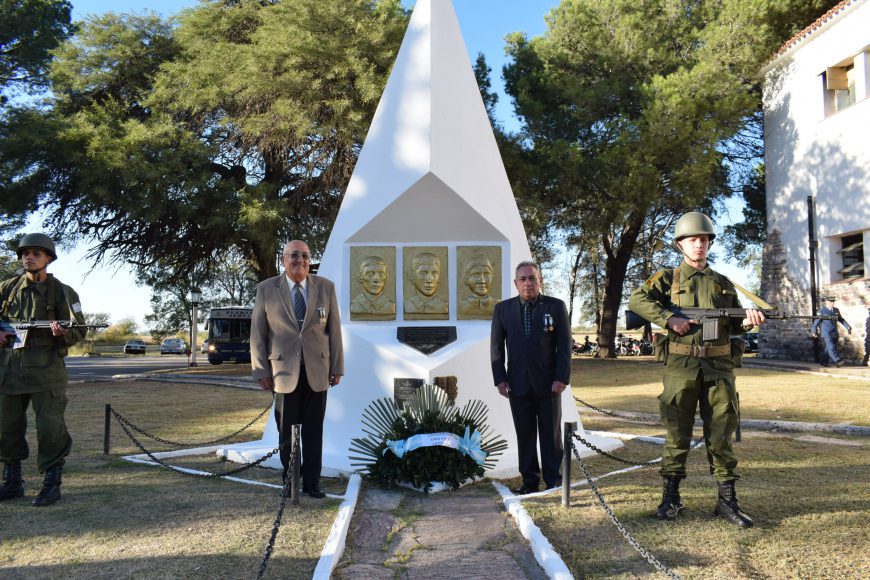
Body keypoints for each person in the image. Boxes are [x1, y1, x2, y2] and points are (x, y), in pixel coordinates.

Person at [628, 212, 765, 528]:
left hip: (719, 368)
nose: (699, 244)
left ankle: (727, 503)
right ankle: (670, 499)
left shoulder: (723, 283)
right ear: (681, 244)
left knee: (721, 435)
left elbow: (733, 326)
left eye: (704, 239)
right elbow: (638, 300)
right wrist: (668, 318)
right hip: (681, 369)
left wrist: (748, 320)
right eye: (693, 239)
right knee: (677, 434)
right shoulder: (667, 279)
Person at [250, 240, 344, 498]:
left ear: (309, 260)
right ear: (283, 259)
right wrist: (261, 371)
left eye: (304, 255)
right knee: (286, 434)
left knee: (315, 432)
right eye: (293, 255)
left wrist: (337, 366)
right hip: (282, 374)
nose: (299, 260)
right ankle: (290, 480)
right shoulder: (267, 289)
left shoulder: (325, 287)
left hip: (318, 372)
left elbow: (334, 330)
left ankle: (312, 483)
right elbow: (257, 334)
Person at [0, 233, 87, 506]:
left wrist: (62, 333)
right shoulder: (6, 288)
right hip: (9, 370)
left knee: (50, 428)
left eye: (37, 253)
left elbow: (80, 328)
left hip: (47, 371)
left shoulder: (63, 291)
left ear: (49, 258)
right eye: (26, 253)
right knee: (5, 427)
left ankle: (52, 482)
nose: (30, 257)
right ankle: (12, 482)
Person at [491, 261, 571, 495]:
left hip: (549, 385)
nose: (528, 283)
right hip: (517, 385)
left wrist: (561, 377)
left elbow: (564, 347)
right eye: (523, 279)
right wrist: (500, 379)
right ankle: (529, 481)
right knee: (525, 435)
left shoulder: (556, 307)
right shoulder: (502, 309)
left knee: (551, 436)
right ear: (516, 283)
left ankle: (554, 480)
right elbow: (497, 348)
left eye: (532, 278)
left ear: (540, 280)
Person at [811, 296, 851, 367]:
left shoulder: (836, 310)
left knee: (828, 348)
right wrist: (814, 331)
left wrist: (847, 326)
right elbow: (816, 321)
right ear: (826, 302)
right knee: (831, 347)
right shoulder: (822, 311)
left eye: (833, 302)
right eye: (830, 302)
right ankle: (837, 361)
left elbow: (841, 319)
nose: (832, 303)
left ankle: (824, 361)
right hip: (826, 332)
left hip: (834, 332)